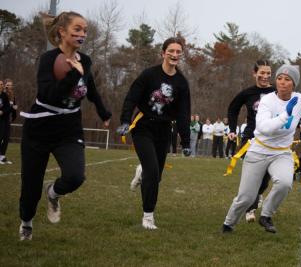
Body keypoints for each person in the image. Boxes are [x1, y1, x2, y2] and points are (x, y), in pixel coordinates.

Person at [18, 11, 112, 241]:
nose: (82, 34)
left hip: (68, 129)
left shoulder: (86, 61)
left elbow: (90, 89)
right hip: (39, 129)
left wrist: (103, 112)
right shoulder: (48, 60)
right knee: (30, 186)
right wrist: (71, 76)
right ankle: (26, 223)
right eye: (78, 29)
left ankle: (53, 193)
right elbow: (48, 94)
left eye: (85, 31)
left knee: (75, 176)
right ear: (62, 32)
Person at [222, 64, 301, 233]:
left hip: (281, 152)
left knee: (284, 183)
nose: (282, 82)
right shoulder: (267, 100)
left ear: (294, 84)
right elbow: (264, 127)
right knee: (247, 197)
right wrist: (285, 115)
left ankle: (266, 215)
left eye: (287, 80)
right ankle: (229, 223)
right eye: (279, 78)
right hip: (259, 149)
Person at [117, 37, 191, 230]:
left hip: (164, 130)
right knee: (152, 171)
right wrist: (125, 120)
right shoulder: (149, 75)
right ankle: (148, 216)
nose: (174, 55)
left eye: (178, 52)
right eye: (171, 51)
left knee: (155, 176)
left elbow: (184, 113)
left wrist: (186, 140)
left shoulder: (182, 83)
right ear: (163, 53)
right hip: (143, 127)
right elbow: (132, 97)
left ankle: (141, 171)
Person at [226, 60, 275, 222]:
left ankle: (257, 196)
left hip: (271, 140)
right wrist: (232, 130)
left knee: (265, 178)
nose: (265, 76)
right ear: (254, 73)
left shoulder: (277, 92)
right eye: (262, 73)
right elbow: (232, 109)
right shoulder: (247, 93)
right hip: (251, 139)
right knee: (254, 175)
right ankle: (250, 208)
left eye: (268, 73)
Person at [0, 79, 18, 164]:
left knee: (6, 138)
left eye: (11, 85)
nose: (10, 86)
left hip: (7, 119)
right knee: (1, 137)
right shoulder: (3, 95)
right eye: (8, 85)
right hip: (1, 119)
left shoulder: (12, 96)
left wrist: (14, 114)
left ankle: (2, 156)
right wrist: (11, 108)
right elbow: (6, 108)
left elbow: (13, 107)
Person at [0, 80, 12, 164]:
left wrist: (2, 112)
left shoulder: (4, 96)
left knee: (6, 138)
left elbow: (8, 108)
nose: (1, 85)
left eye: (1, 84)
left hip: (4, 119)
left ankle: (2, 157)